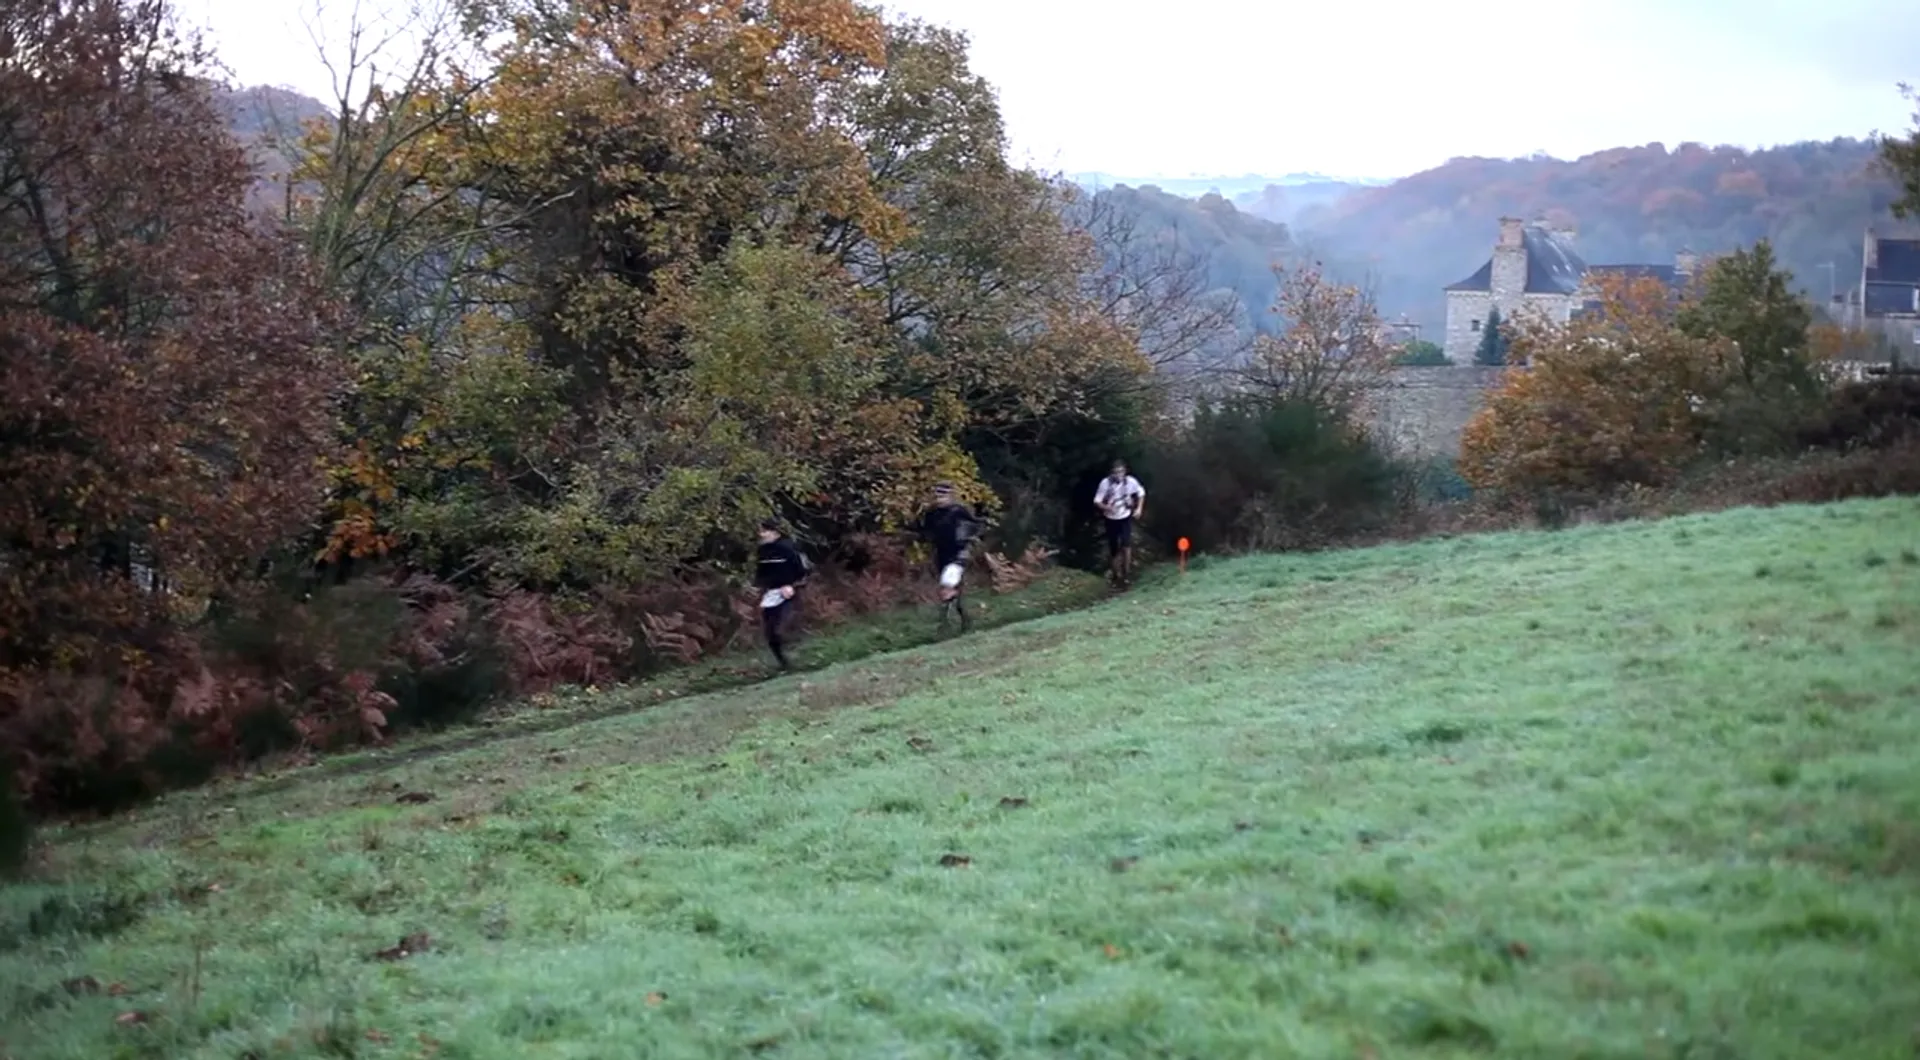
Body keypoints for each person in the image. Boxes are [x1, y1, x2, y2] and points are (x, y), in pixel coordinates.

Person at [912, 483, 980, 634]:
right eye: (937, 496)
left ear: (950, 496)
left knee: (948, 586)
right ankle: (962, 620)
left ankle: (945, 624)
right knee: (951, 591)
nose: (940, 499)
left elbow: (975, 525)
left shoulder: (959, 511)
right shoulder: (931, 514)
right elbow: (925, 532)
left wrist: (967, 539)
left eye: (943, 496)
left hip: (959, 553)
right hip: (941, 554)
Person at [753, 519, 809, 672]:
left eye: (765, 531)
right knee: (770, 632)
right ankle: (784, 663)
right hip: (770, 594)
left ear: (775, 533)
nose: (761, 534)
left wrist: (792, 586)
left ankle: (798, 658)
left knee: (781, 628)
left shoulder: (788, 548)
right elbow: (761, 573)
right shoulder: (762, 551)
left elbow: (803, 571)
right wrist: (758, 587)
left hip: (789, 594)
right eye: (761, 531)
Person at [1093, 460, 1145, 589]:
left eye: (1121, 472)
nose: (1119, 475)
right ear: (1112, 473)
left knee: (1126, 544)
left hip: (1125, 516)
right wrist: (1106, 507)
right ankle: (1116, 575)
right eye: (1116, 472)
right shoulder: (1105, 483)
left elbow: (1141, 493)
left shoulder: (1130, 482)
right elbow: (1097, 501)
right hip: (1110, 518)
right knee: (1114, 548)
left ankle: (1127, 573)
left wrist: (1139, 509)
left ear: (1125, 471)